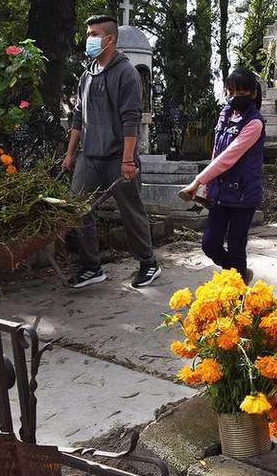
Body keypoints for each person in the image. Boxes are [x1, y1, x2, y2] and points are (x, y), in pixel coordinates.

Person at [63, 15, 161, 289]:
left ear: (110, 39)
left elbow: (131, 119)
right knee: (78, 209)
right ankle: (91, 267)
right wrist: (70, 155)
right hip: (89, 157)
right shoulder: (87, 74)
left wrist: (128, 160)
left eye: (94, 34)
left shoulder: (126, 73)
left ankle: (148, 263)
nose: (89, 39)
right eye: (88, 34)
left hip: (119, 157)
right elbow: (78, 118)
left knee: (131, 212)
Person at [178, 68, 265, 284]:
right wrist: (207, 187)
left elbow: (228, 157)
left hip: (244, 195)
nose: (236, 97)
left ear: (253, 94)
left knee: (236, 247)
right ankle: (240, 276)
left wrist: (197, 181)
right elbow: (216, 153)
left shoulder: (255, 123)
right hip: (220, 193)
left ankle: (238, 293)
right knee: (210, 245)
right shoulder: (225, 113)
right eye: (232, 92)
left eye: (242, 93)